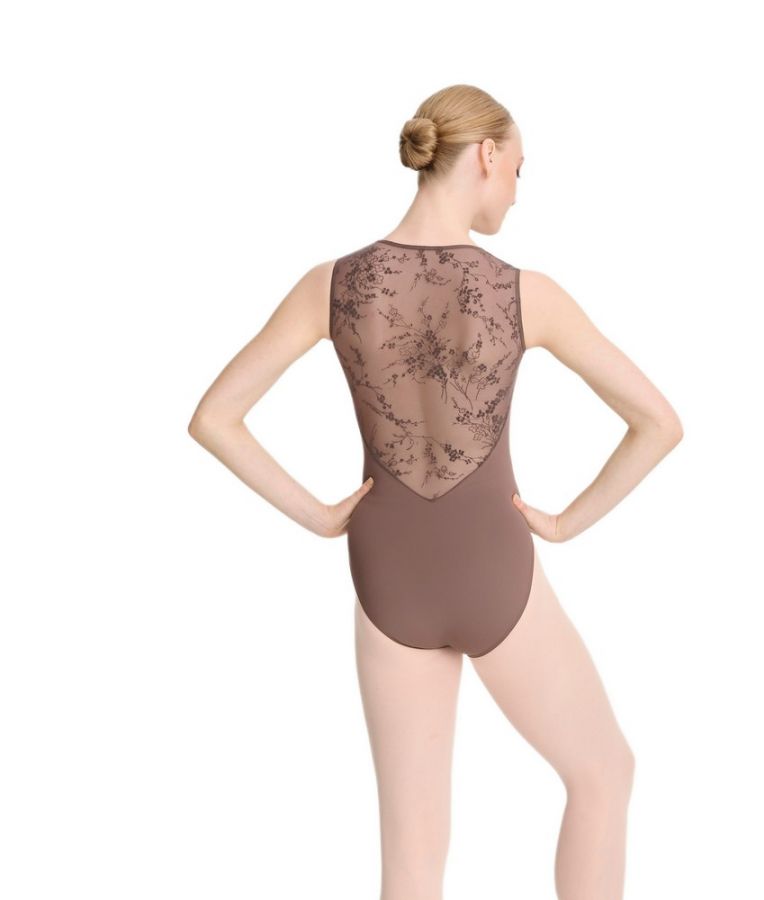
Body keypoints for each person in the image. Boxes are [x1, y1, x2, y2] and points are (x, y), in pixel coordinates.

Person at [188, 83, 683, 900]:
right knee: (603, 773)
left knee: (413, 861)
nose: (518, 191)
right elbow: (658, 422)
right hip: (493, 568)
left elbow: (215, 417)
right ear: (485, 156)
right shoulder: (525, 293)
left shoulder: (332, 285)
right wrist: (566, 523)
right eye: (519, 169)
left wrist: (321, 516)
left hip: (386, 573)